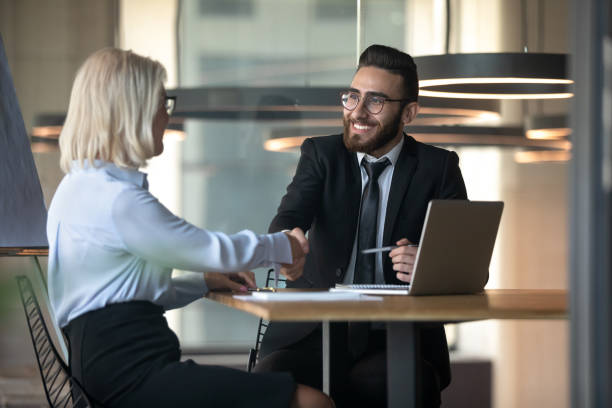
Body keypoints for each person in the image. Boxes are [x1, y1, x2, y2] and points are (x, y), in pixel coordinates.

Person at [47, 47, 334, 408]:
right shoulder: (117, 200)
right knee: (312, 403)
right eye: (162, 102)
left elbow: (135, 296)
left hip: (106, 373)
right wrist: (284, 245)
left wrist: (204, 282)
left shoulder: (78, 187)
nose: (167, 116)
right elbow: (210, 249)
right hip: (134, 377)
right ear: (132, 111)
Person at [254, 44, 468, 407]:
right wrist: (290, 239)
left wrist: (431, 265)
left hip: (397, 337)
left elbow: (465, 262)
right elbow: (289, 218)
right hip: (312, 332)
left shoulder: (439, 167)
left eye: (376, 101)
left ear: (409, 112)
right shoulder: (321, 154)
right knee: (268, 385)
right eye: (352, 97)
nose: (358, 112)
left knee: (403, 384)